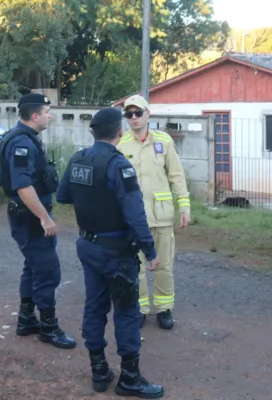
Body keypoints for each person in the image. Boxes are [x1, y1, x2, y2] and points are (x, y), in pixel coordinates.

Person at [57, 107, 164, 398]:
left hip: (88, 245)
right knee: (127, 312)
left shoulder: (79, 158)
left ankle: (99, 371)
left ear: (93, 132)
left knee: (95, 306)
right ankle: (130, 378)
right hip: (116, 252)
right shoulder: (119, 165)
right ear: (120, 131)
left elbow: (63, 195)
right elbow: (135, 215)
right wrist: (151, 250)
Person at [0, 92, 76, 350]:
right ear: (35, 115)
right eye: (47, 111)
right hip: (30, 217)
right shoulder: (22, 143)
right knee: (46, 270)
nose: (50, 115)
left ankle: (26, 319)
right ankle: (49, 328)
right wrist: (44, 218)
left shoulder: (28, 139)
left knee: (33, 267)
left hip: (29, 215)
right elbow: (23, 186)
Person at [116, 95, 191, 330]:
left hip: (161, 216)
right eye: (129, 114)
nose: (134, 118)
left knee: (164, 265)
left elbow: (176, 176)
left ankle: (164, 308)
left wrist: (184, 205)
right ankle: (140, 309)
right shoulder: (121, 144)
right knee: (135, 268)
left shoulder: (164, 141)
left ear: (148, 114)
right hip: (133, 220)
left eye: (138, 112)